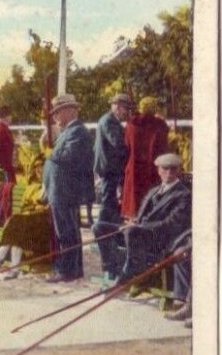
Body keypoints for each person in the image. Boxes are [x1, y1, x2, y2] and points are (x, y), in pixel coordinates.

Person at [93, 153, 191, 284]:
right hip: (139, 233)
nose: (169, 173)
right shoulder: (154, 191)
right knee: (100, 227)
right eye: (165, 169)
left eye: (173, 169)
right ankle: (112, 268)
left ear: (178, 170)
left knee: (131, 231)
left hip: (160, 240)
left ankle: (132, 270)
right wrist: (134, 222)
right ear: (159, 171)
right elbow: (142, 216)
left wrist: (138, 226)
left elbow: (171, 224)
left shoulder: (184, 195)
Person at [43, 94, 94, 283]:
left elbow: (70, 157)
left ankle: (68, 270)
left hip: (66, 190)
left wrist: (51, 154)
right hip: (59, 189)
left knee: (67, 232)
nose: (55, 116)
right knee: (65, 231)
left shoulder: (77, 132)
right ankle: (71, 269)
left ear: (69, 111)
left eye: (57, 112)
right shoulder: (67, 132)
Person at [120, 96, 169, 219]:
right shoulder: (160, 125)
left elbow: (126, 147)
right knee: (151, 200)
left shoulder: (131, 125)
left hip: (134, 168)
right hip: (152, 168)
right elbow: (164, 147)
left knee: (134, 204)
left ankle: (133, 221)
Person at [94, 94, 133, 224]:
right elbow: (117, 142)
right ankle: (102, 226)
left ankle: (109, 224)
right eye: (126, 109)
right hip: (108, 166)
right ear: (117, 107)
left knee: (110, 197)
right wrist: (130, 151)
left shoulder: (111, 120)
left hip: (109, 165)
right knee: (107, 198)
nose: (127, 112)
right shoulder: (108, 121)